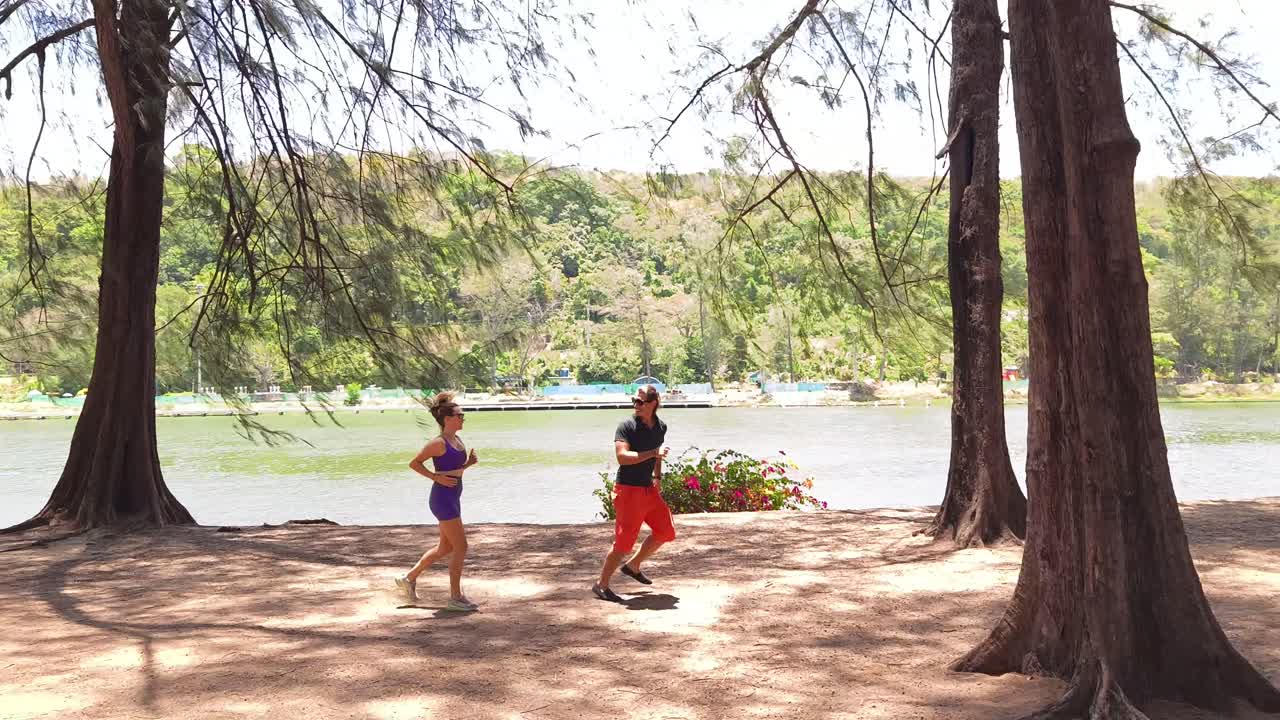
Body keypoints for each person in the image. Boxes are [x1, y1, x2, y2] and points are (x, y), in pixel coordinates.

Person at [395, 391, 479, 611]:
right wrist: (435, 477)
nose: (463, 418)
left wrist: (468, 464)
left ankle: (408, 578)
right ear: (448, 419)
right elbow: (414, 463)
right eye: (459, 415)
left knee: (445, 547)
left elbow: (453, 470)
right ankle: (455, 598)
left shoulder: (457, 440)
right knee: (461, 546)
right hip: (442, 499)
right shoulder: (438, 443)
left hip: (453, 496)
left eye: (462, 415)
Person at [592, 384, 676, 602]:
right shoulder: (626, 427)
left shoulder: (661, 427)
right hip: (628, 490)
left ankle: (633, 566)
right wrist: (653, 453)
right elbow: (622, 457)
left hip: (648, 489)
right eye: (634, 401)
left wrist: (657, 478)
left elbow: (658, 456)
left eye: (640, 401)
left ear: (653, 403)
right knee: (623, 544)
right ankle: (601, 585)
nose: (635, 405)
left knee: (666, 531)